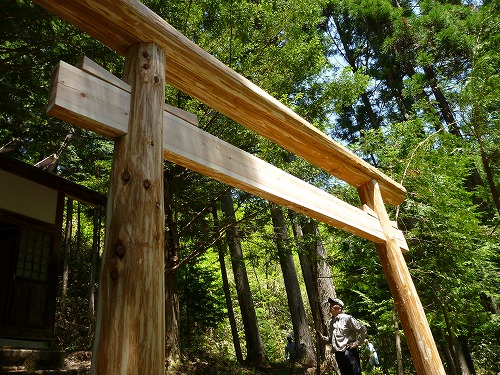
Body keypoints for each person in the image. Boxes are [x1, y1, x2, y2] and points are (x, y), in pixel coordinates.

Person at [320, 297, 367, 375]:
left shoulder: (347, 318)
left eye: (334, 304)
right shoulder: (331, 322)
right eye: (330, 304)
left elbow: (363, 330)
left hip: (349, 352)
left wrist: (356, 343)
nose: (331, 306)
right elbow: (334, 338)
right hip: (338, 354)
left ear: (340, 308)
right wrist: (324, 339)